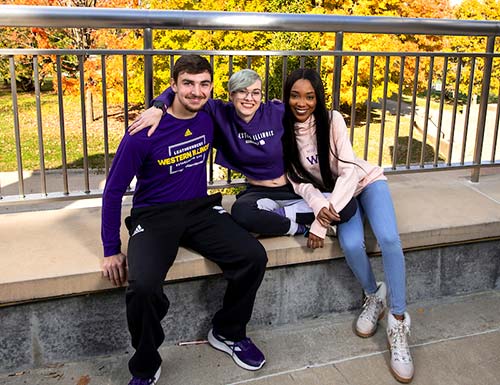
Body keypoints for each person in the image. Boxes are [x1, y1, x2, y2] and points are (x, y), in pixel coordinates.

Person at [101, 55, 268, 385]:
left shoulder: (207, 114)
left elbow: (247, 108)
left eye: (204, 84)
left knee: (253, 257)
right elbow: (113, 191)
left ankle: (228, 332)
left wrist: (161, 102)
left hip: (199, 209)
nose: (196, 91)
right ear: (174, 85)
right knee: (144, 286)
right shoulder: (142, 132)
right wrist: (110, 248)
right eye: (188, 84)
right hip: (154, 215)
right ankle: (146, 364)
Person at [281, 68, 414, 383]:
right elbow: (300, 183)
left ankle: (398, 321)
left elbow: (350, 171)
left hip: (365, 183)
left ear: (318, 98)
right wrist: (320, 210)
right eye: (295, 95)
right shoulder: (284, 133)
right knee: (352, 244)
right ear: (287, 97)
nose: (302, 103)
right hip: (335, 199)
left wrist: (321, 220)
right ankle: (373, 295)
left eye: (309, 96)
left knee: (389, 239)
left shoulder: (333, 120)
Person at [128, 69, 357, 238]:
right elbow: (181, 91)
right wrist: (158, 107)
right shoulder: (220, 114)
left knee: (348, 207)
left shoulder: (276, 111)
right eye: (242, 92)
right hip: (258, 192)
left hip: (293, 187)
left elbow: (308, 107)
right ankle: (300, 228)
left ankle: (280, 216)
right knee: (241, 213)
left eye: (255, 92)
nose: (250, 98)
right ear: (231, 95)